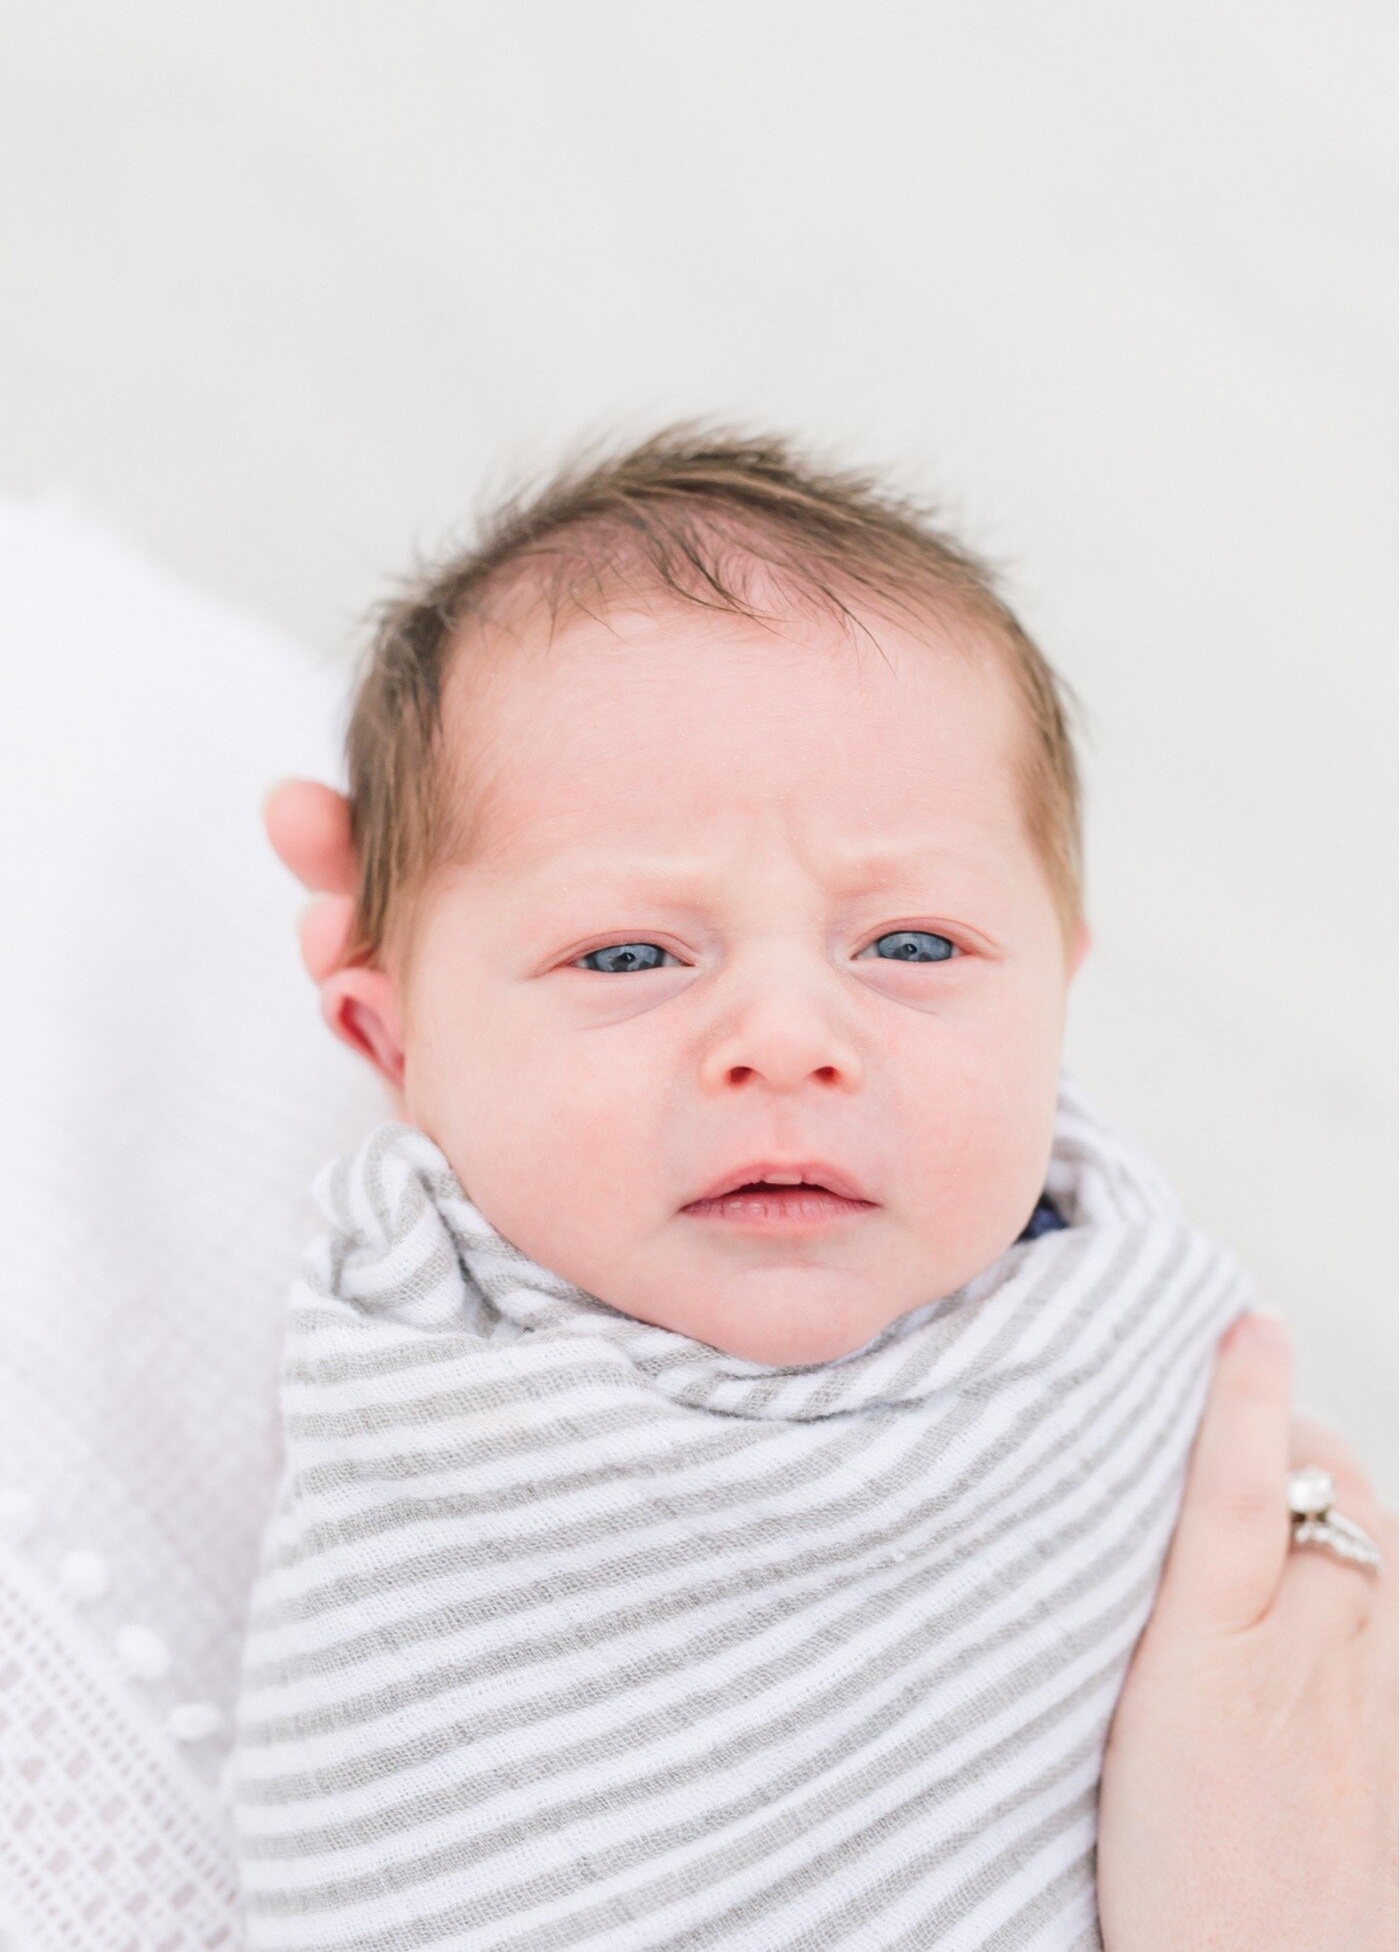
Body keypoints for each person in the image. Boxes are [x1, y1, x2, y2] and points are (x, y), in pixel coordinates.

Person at [240, 430, 1396, 1949]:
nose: (789, 1040)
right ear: (390, 1042)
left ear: (1059, 994)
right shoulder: (421, 1397)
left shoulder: (1123, 1334)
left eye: (913, 948)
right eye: (630, 956)